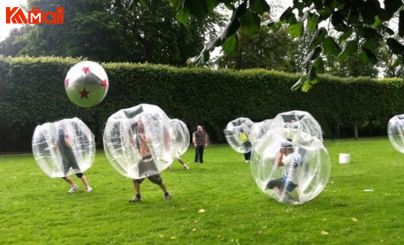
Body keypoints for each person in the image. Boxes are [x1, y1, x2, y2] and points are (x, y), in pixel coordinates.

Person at [129, 120, 171, 203]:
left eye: (141, 125)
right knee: (135, 178)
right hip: (141, 161)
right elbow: (132, 143)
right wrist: (128, 132)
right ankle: (138, 196)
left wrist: (144, 142)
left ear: (144, 127)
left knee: (157, 180)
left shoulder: (149, 136)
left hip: (150, 160)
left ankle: (167, 193)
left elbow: (151, 149)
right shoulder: (136, 136)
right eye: (138, 125)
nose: (139, 127)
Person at [56, 128, 92, 194]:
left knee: (79, 174)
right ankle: (74, 185)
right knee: (63, 175)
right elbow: (55, 148)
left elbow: (70, 145)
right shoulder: (57, 139)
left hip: (72, 158)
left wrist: (64, 139)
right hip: (65, 160)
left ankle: (87, 187)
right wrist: (54, 145)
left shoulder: (67, 137)